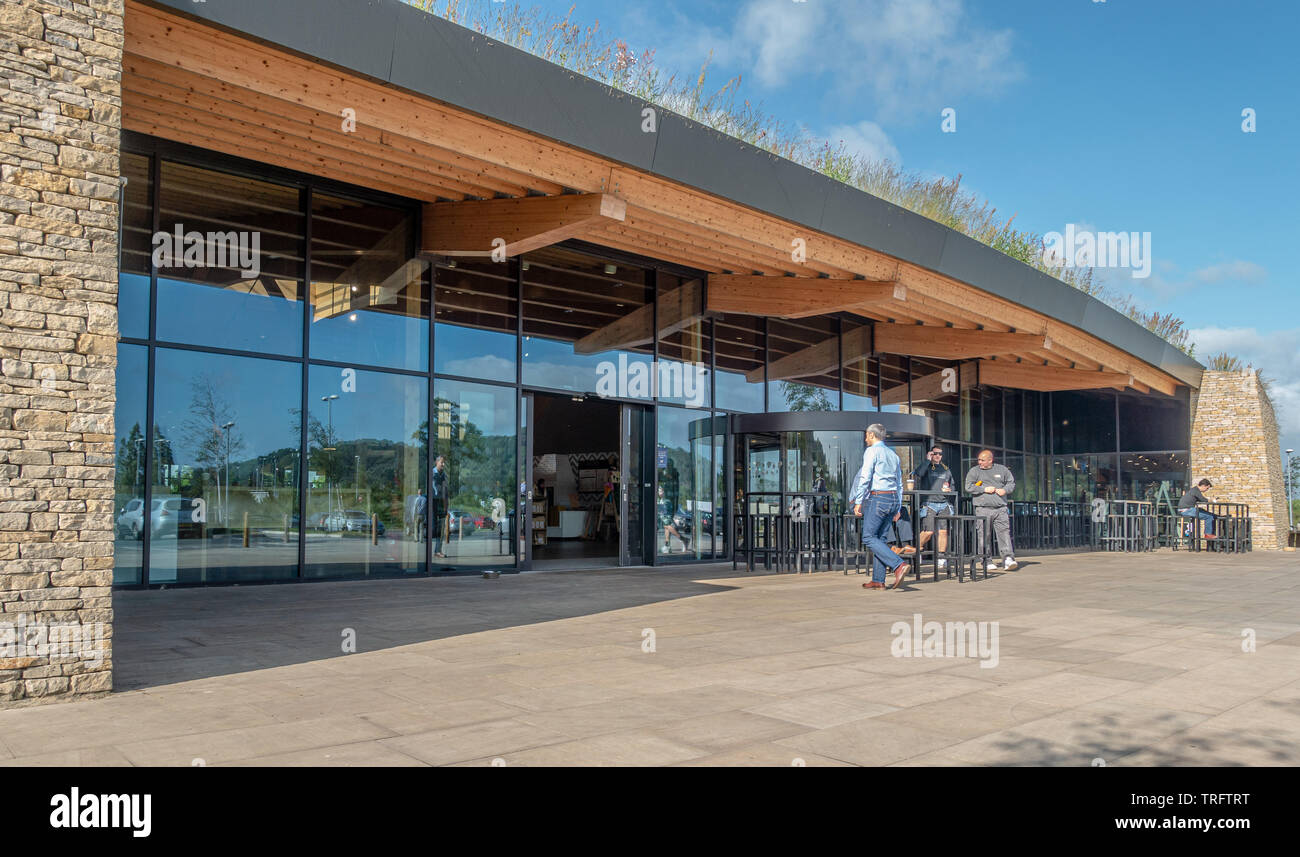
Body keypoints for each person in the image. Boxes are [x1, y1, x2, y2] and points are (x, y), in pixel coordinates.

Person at [849, 423, 910, 591]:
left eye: (867, 435)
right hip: (892, 499)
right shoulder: (893, 454)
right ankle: (878, 580)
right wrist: (898, 506)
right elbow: (899, 483)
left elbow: (865, 476)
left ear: (872, 435)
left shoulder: (872, 451)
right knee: (880, 539)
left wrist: (858, 500)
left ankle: (898, 565)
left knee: (868, 537)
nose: (865, 438)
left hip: (878, 498)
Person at [964, 449, 1017, 571]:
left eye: (982, 460)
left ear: (990, 460)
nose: (980, 462)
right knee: (984, 535)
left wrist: (1005, 490)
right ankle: (986, 560)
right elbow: (968, 486)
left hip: (1000, 508)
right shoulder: (974, 471)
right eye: (979, 460)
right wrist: (984, 489)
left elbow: (1011, 483)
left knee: (1004, 533)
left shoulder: (1002, 470)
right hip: (983, 509)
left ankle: (1008, 558)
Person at [910, 445, 955, 568]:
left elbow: (953, 485)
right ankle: (917, 551)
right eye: (935, 453)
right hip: (929, 503)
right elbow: (918, 473)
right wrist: (927, 460)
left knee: (943, 531)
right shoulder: (927, 466)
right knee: (928, 532)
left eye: (940, 454)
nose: (938, 456)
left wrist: (950, 490)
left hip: (944, 503)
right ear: (931, 454)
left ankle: (941, 557)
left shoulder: (946, 469)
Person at [430, 456, 448, 558]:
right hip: (433, 502)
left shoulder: (443, 475)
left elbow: (445, 491)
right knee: (433, 528)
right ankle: (428, 553)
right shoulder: (432, 473)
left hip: (441, 503)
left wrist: (446, 506)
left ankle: (438, 551)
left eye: (444, 463)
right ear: (437, 462)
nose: (443, 465)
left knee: (441, 528)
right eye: (442, 462)